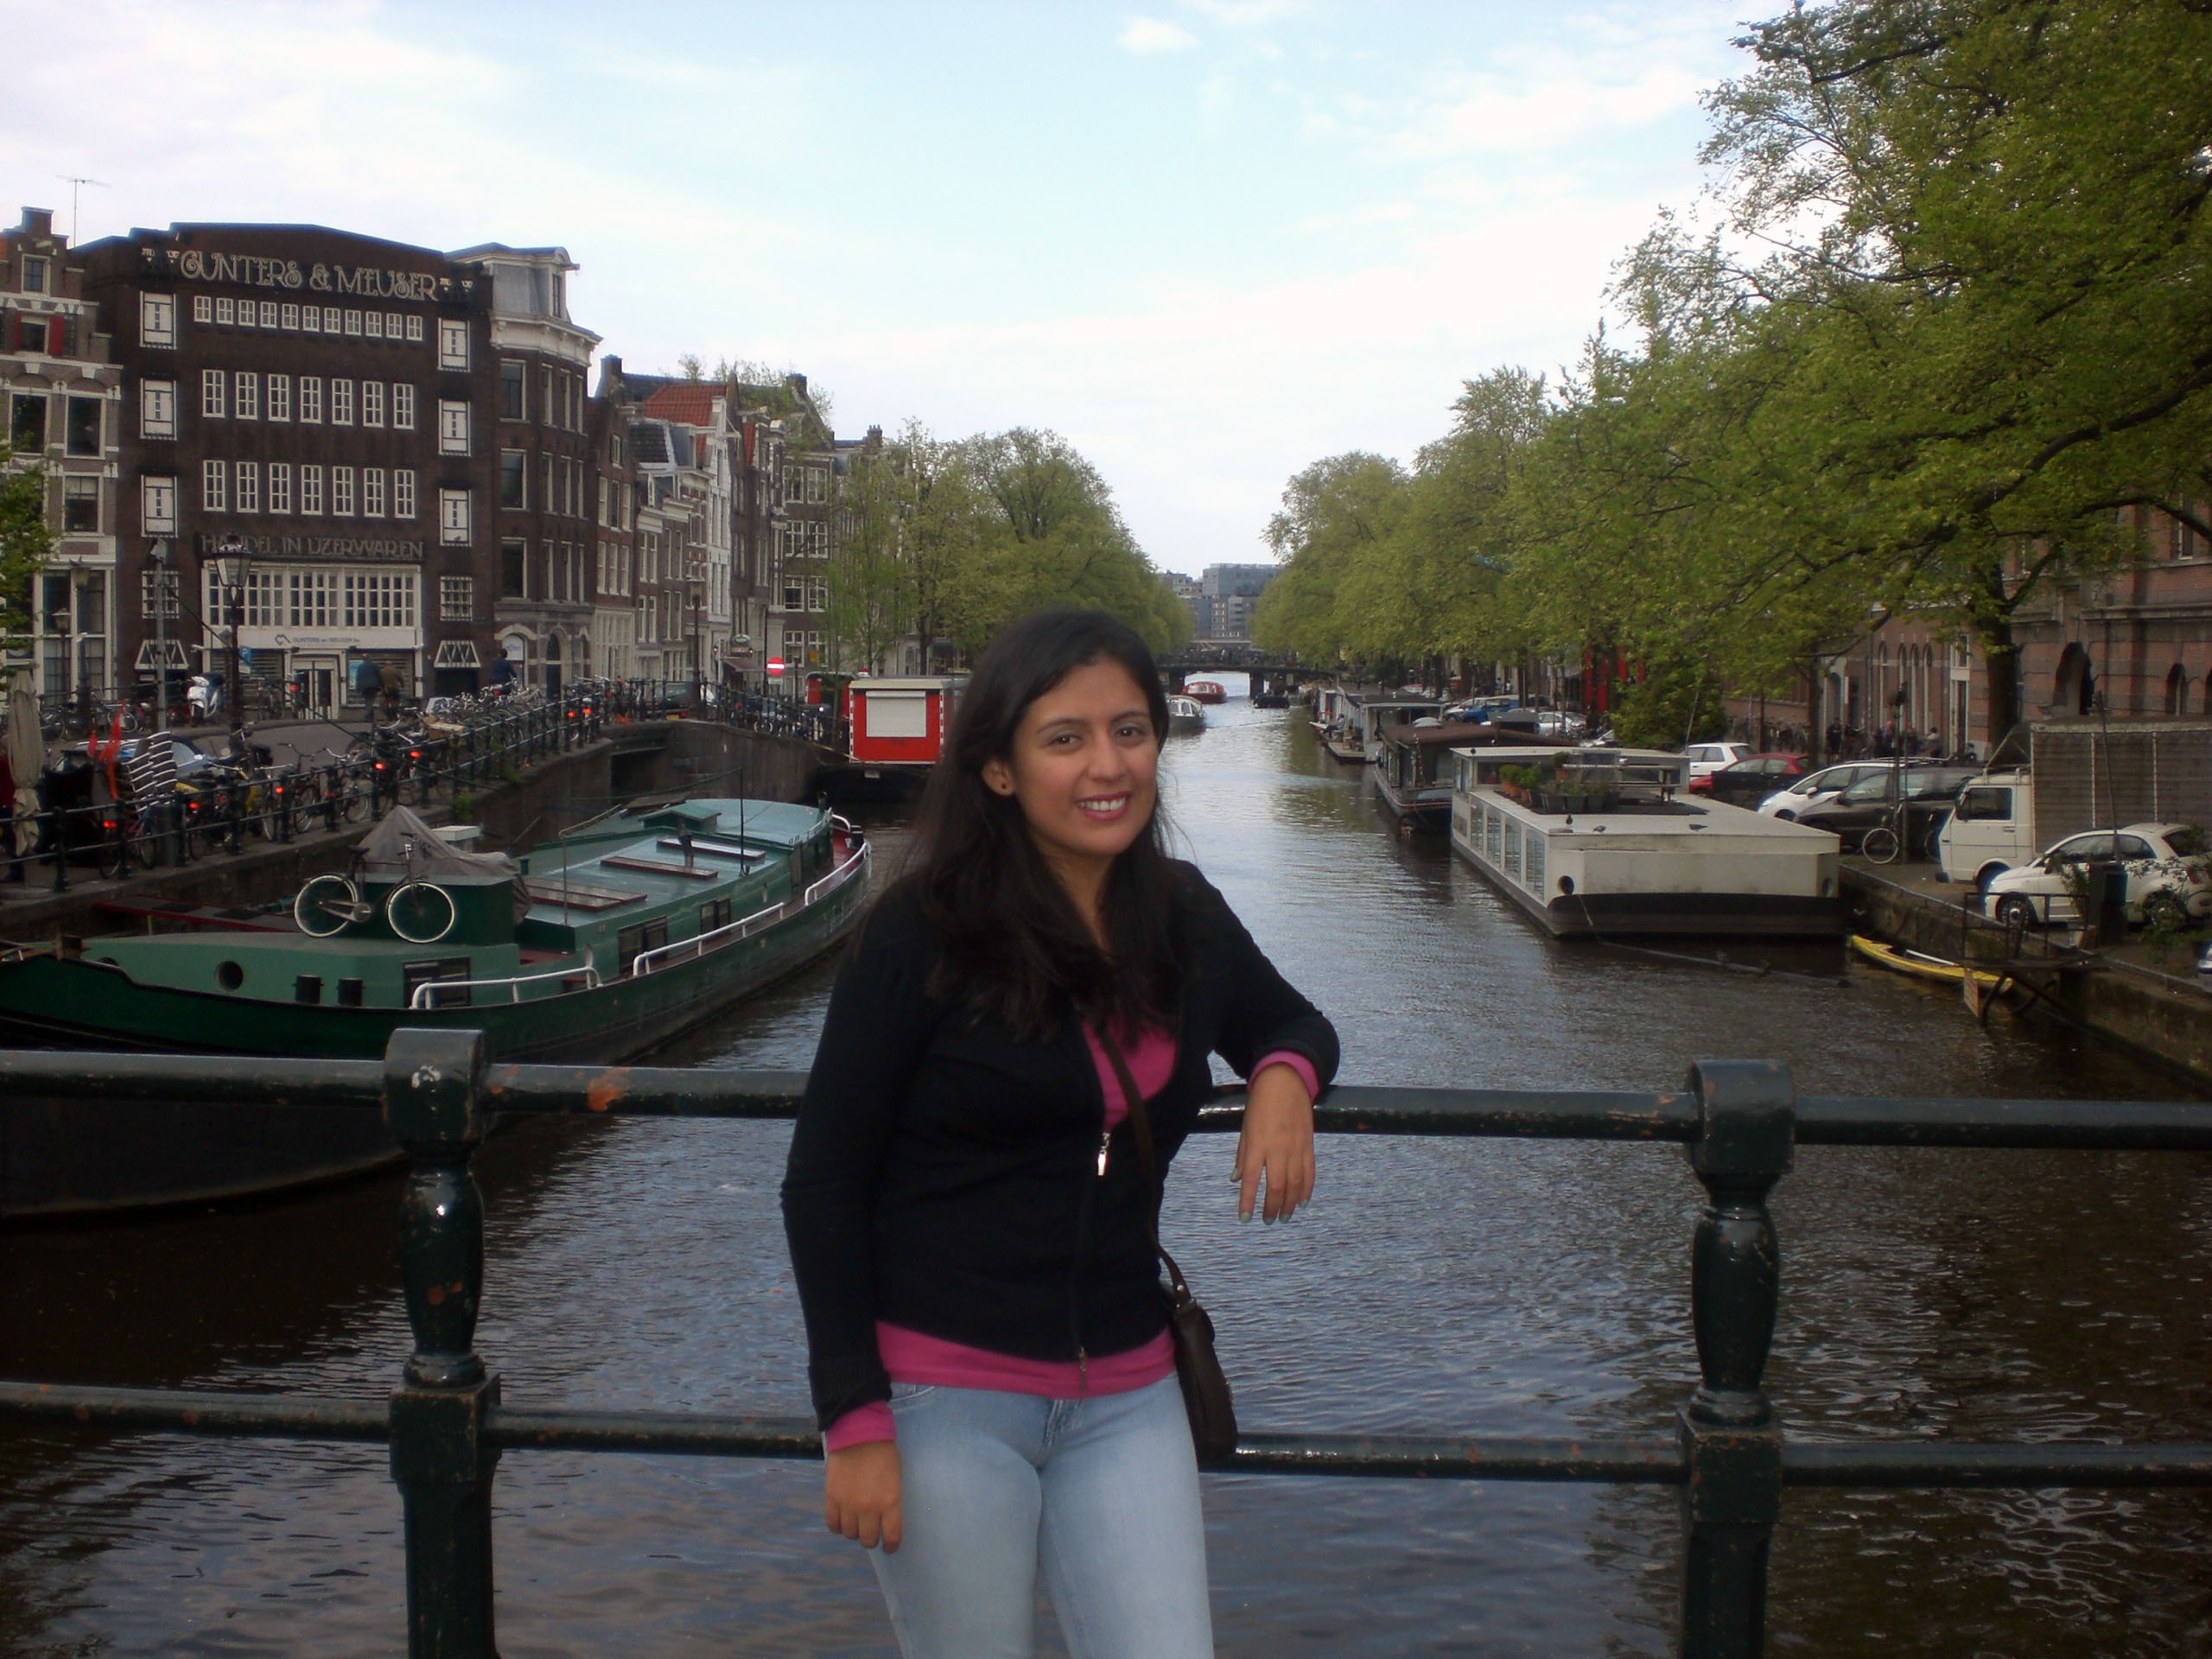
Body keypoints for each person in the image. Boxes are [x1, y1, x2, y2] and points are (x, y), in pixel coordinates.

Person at [782, 610, 1337, 1659]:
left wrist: (1282, 1077)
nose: (1107, 766)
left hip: (1129, 1391)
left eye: (1130, 731)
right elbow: (823, 1180)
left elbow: (1295, 1022)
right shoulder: (922, 934)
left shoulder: (1182, 914)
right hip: (944, 1397)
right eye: (1065, 739)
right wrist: (852, 1418)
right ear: (999, 769)